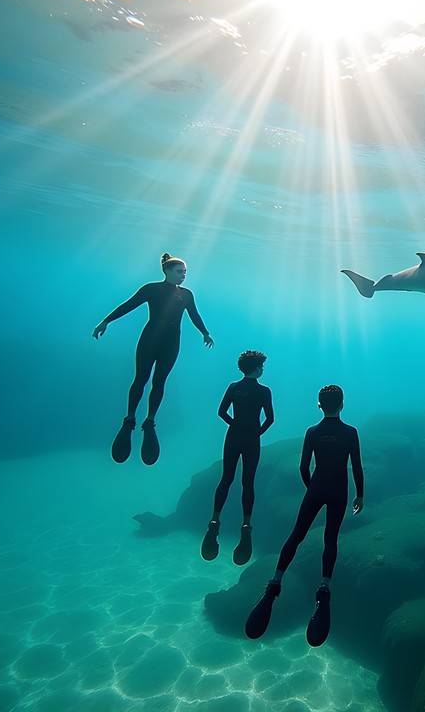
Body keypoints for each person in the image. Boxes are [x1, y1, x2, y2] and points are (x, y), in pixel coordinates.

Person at [245, 384, 364, 647]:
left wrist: (312, 487)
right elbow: (356, 466)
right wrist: (360, 495)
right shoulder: (351, 433)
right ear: (342, 404)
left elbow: (303, 466)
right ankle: (324, 588)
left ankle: (274, 583)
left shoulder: (312, 432)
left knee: (296, 535)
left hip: (316, 489)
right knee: (330, 539)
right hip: (338, 492)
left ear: (319, 405)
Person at [93, 252, 213, 465]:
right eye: (179, 272)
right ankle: (130, 419)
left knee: (159, 381)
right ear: (166, 271)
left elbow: (194, 315)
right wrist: (106, 321)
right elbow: (128, 305)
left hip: (171, 343)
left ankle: (150, 421)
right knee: (141, 379)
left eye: (185, 272)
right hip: (149, 340)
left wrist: (205, 332)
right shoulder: (152, 289)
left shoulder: (186, 295)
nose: (183, 275)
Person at [202, 350, 275, 565]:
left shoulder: (234, 387)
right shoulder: (264, 391)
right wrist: (256, 432)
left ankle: (215, 519)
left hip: (232, 437)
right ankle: (246, 525)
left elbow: (221, 412)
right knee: (248, 483)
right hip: (252, 438)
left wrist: (234, 424)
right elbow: (270, 419)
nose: (263, 369)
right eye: (262, 366)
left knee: (226, 478)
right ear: (257, 368)